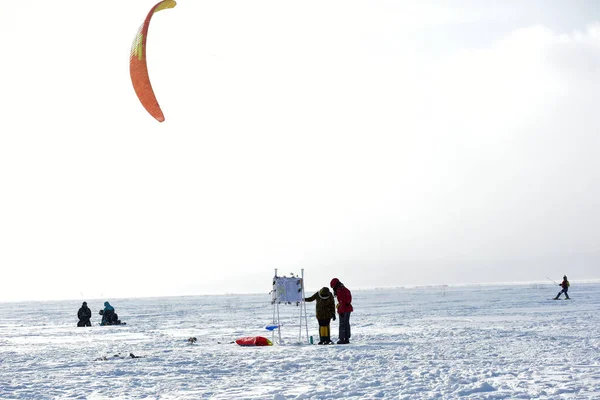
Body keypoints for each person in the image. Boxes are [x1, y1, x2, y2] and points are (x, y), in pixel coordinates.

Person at [330, 278, 353, 344]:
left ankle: (342, 339)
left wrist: (342, 310)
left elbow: (342, 301)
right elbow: (347, 300)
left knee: (342, 324)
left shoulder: (339, 290)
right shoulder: (345, 289)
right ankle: (347, 338)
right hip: (348, 309)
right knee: (346, 324)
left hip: (344, 309)